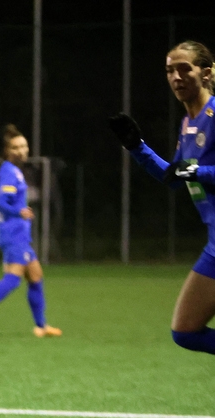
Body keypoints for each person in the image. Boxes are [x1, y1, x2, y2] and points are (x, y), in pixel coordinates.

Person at [109, 41, 215, 355]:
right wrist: (136, 147)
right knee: (185, 331)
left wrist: (197, 172)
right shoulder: (188, 124)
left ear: (206, 73)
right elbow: (174, 177)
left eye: (185, 68)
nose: (176, 76)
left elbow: (192, 172)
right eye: (170, 70)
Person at [0, 125, 62, 338]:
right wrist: (20, 211)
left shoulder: (14, 171)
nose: (22, 150)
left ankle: (41, 326)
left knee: (36, 276)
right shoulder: (9, 171)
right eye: (17, 147)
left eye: (24, 146)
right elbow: (0, 202)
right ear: (8, 151)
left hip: (19, 234)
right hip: (13, 233)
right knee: (13, 278)